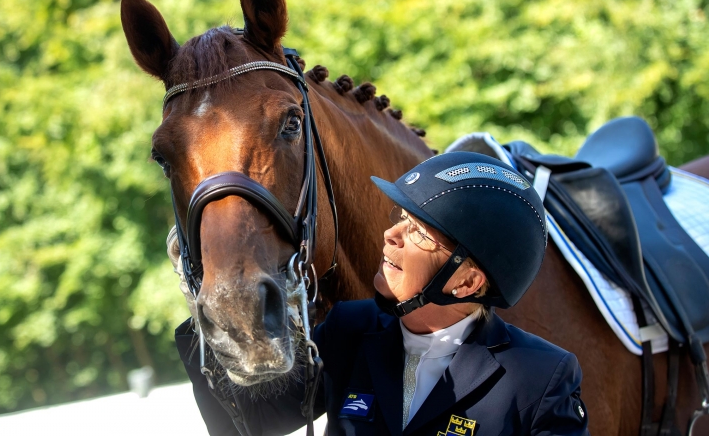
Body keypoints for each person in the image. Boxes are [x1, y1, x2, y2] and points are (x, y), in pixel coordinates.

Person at [176, 151, 590, 435]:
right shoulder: (348, 330)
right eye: (400, 217)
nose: (390, 234)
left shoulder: (541, 378)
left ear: (467, 282)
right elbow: (253, 421)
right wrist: (205, 291)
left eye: (419, 232)